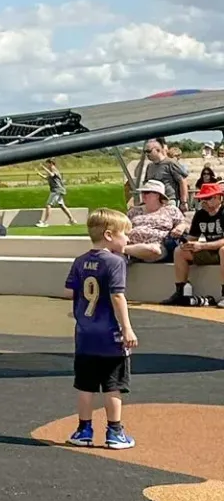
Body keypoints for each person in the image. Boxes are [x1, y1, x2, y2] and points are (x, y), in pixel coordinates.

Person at [64, 209, 138, 450]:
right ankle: (115, 432)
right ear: (109, 235)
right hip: (110, 335)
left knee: (85, 386)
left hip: (85, 334)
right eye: (125, 234)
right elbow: (118, 296)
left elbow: (71, 291)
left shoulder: (80, 261)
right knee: (112, 385)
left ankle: (83, 429)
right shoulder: (115, 262)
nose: (127, 239)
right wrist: (127, 328)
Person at [167, 181, 224, 304]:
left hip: (219, 250)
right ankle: (180, 292)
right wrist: (186, 244)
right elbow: (193, 236)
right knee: (180, 251)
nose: (204, 202)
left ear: (219, 197)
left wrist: (202, 245)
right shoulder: (200, 214)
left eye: (207, 198)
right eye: (201, 199)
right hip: (208, 251)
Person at [124, 180, 185, 263]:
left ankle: (123, 250)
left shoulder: (170, 210)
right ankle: (127, 250)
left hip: (158, 246)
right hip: (132, 244)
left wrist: (179, 228)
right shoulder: (134, 211)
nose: (143, 195)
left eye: (147, 192)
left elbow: (183, 223)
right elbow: (123, 227)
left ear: (157, 195)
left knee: (153, 250)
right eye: (142, 192)